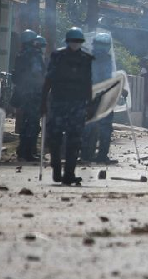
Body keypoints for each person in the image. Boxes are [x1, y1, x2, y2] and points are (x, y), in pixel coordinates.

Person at [40, 27, 93, 185]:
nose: (75, 44)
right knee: (55, 138)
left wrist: (89, 105)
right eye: (72, 41)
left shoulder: (86, 59)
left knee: (74, 139)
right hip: (58, 102)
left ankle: (69, 173)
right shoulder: (57, 56)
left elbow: (87, 84)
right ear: (68, 41)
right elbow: (48, 80)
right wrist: (43, 102)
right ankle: (56, 166)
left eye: (77, 41)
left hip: (77, 104)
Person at [82, 32, 115, 163]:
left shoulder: (87, 57)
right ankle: (101, 155)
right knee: (105, 127)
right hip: (101, 97)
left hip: (90, 97)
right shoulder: (105, 59)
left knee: (89, 125)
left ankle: (86, 154)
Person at [12, 29, 45, 162]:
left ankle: (23, 151)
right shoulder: (34, 55)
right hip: (33, 94)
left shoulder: (21, 55)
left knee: (26, 123)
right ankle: (28, 152)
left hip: (24, 93)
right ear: (32, 42)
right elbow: (37, 74)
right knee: (33, 124)